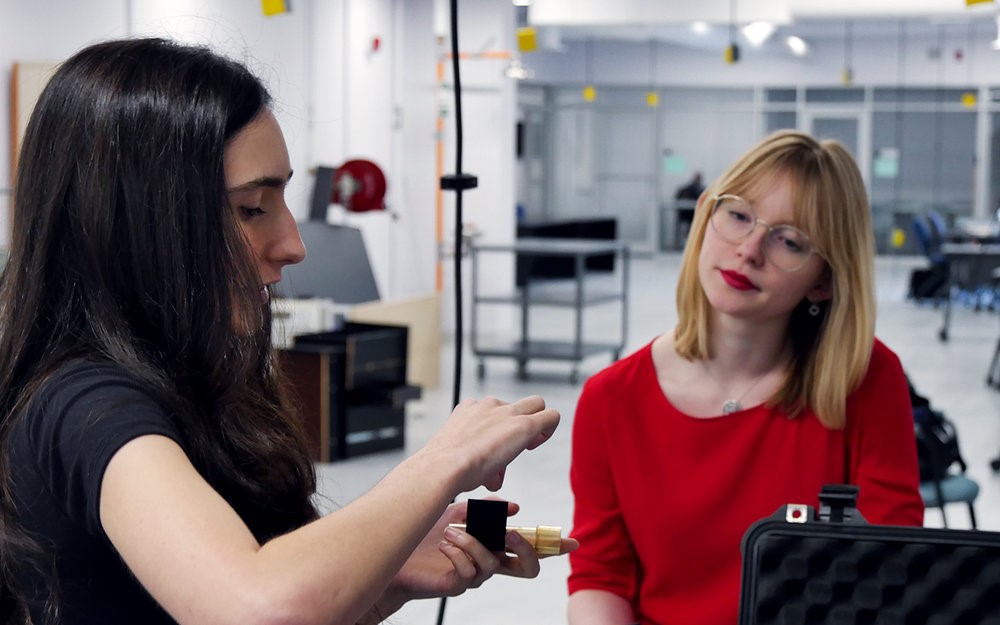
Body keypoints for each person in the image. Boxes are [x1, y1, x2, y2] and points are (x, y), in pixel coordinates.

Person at [0, 37, 575, 625]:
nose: (294, 245)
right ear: (139, 224)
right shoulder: (85, 405)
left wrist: (385, 575)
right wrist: (445, 459)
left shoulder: (197, 386)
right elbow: (254, 609)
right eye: (252, 209)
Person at [567, 130, 923, 625]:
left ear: (822, 280)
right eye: (738, 216)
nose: (750, 250)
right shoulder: (611, 399)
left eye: (790, 241)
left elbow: (893, 569)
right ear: (707, 216)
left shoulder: (864, 379)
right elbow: (601, 580)